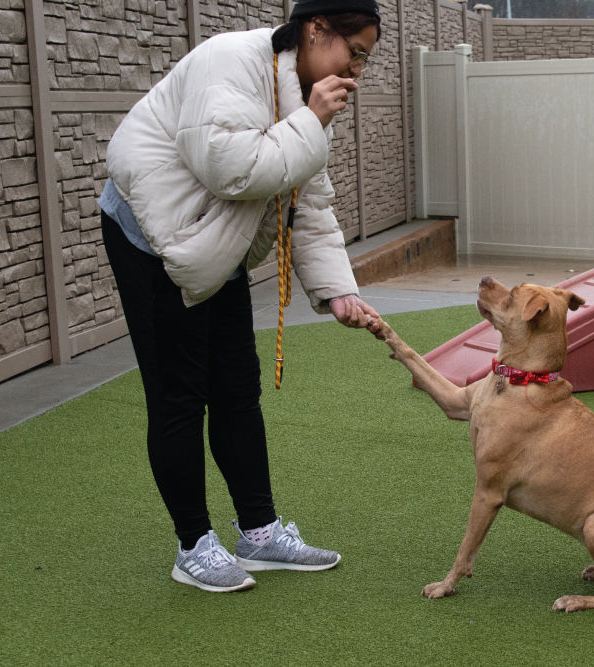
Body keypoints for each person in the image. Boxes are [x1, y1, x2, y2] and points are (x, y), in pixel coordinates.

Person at [98, 0, 382, 592]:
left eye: (364, 60)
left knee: (236, 386)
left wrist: (337, 293)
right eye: (353, 52)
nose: (355, 71)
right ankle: (193, 545)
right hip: (153, 236)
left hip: (214, 239)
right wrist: (312, 121)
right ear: (315, 29)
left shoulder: (299, 95)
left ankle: (258, 533)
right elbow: (233, 170)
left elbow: (308, 203)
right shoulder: (231, 60)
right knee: (179, 393)